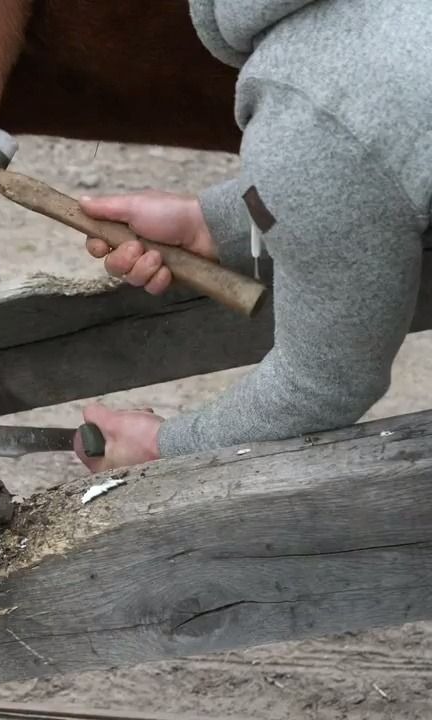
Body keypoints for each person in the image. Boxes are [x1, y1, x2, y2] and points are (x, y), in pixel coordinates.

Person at [72, 0, 432, 473]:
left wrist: (161, 445)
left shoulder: (315, 108)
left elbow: (323, 384)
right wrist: (209, 223)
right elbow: (363, 175)